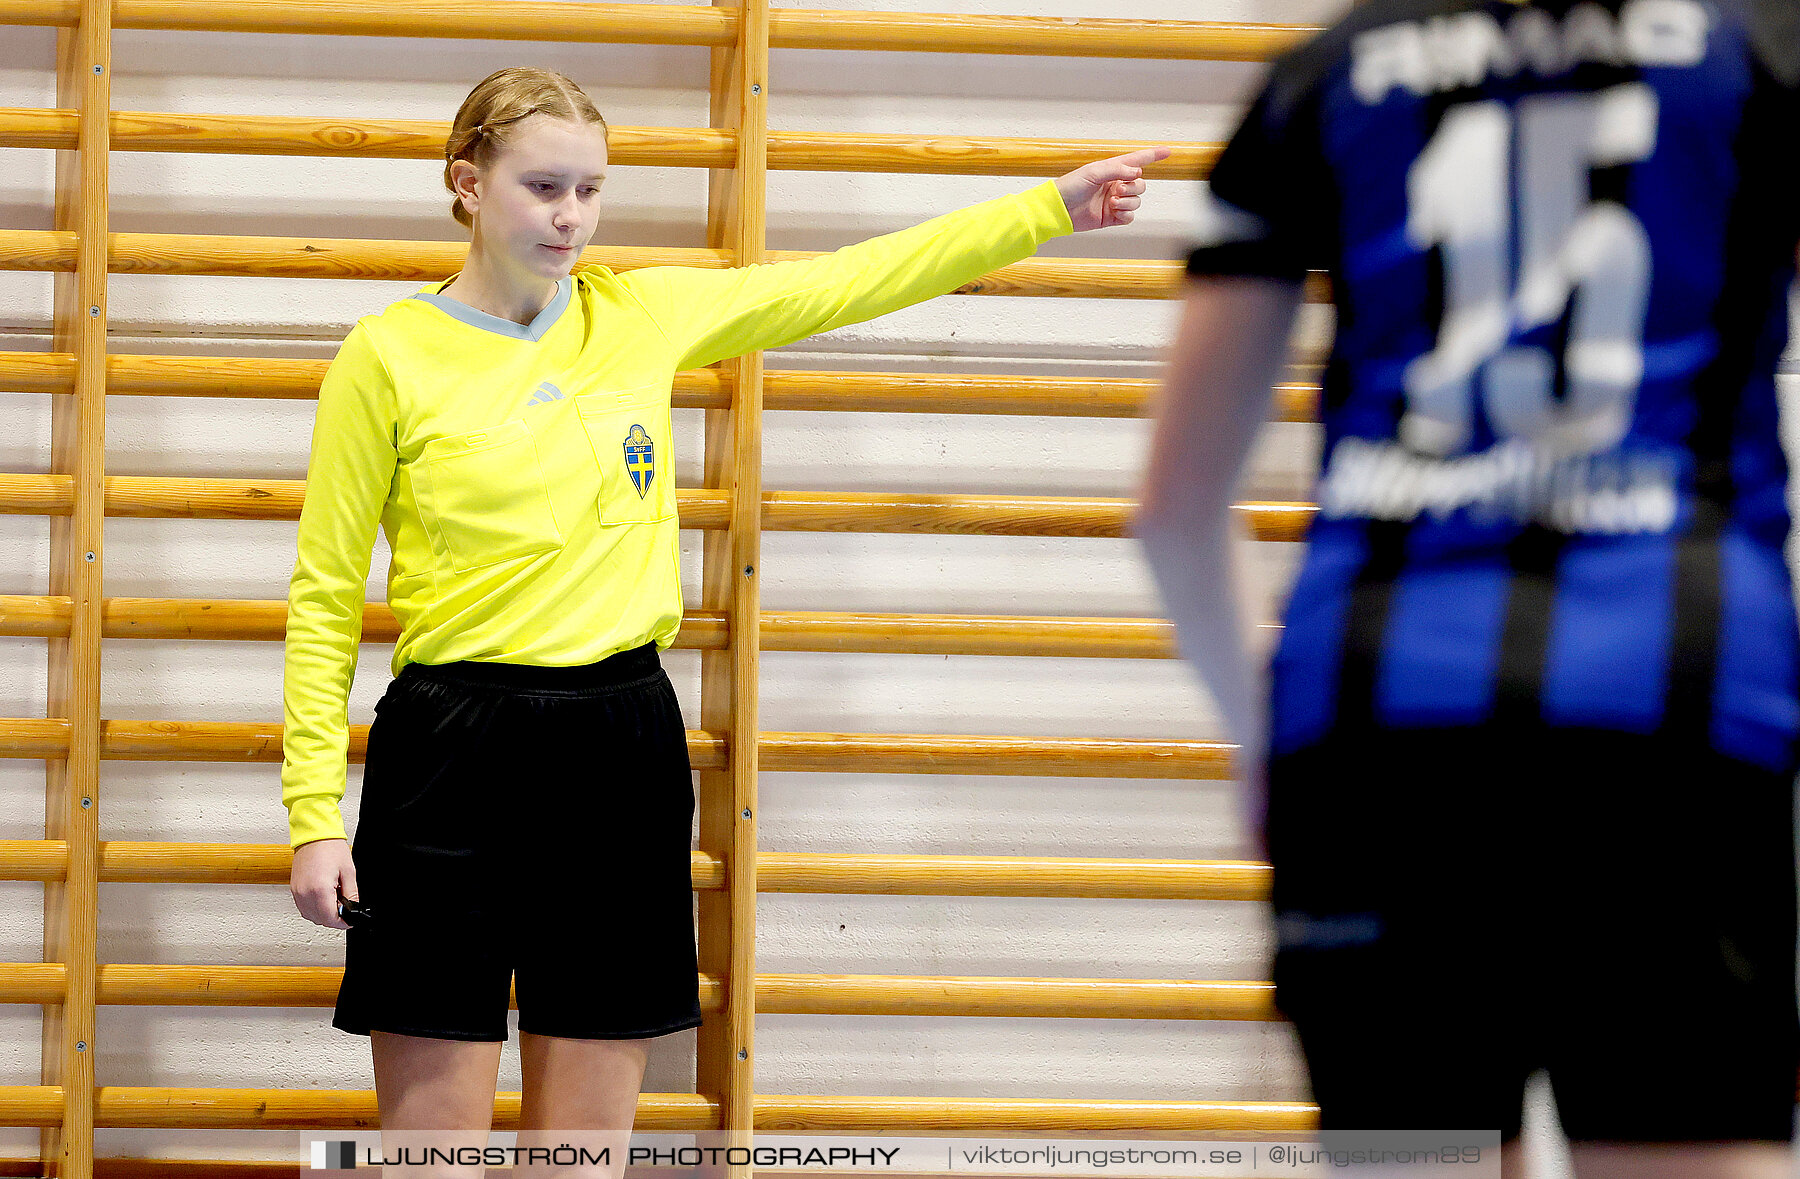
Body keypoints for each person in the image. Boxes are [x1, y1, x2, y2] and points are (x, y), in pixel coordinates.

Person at [281, 65, 1165, 1177]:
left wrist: (1051, 207)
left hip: (620, 741)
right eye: (543, 187)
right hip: (451, 751)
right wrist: (315, 810)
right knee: (431, 1152)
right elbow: (323, 594)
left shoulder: (642, 312)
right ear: (467, 183)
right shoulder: (387, 356)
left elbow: (851, 282)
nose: (570, 217)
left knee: (583, 1151)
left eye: (590, 191)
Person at [1137, 2, 1799, 1176]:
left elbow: (1176, 509)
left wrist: (1261, 746)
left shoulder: (1323, 77)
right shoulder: (1752, 62)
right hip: (1679, 713)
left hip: (1378, 724)